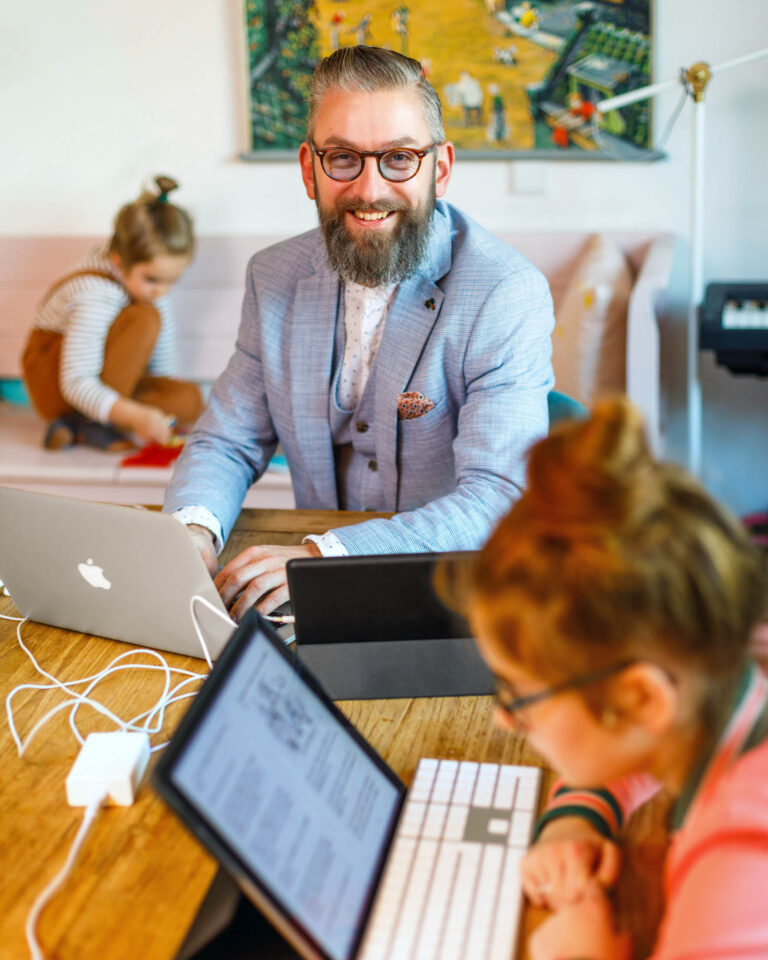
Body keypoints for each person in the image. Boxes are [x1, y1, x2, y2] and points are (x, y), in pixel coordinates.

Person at [165, 46, 554, 620]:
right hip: (309, 604)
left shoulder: (505, 291)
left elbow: (500, 496)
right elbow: (227, 440)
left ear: (439, 169)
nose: (370, 189)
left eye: (399, 157)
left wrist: (323, 557)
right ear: (308, 169)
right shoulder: (272, 276)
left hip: (454, 599)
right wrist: (191, 533)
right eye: (342, 157)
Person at [454, 398, 768, 960]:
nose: (507, 718)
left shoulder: (747, 863)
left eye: (521, 694)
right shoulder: (730, 660)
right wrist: (576, 815)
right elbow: (642, 744)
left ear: (639, 699)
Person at [22, 176, 202, 451]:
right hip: (59, 384)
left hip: (113, 378)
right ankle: (90, 422)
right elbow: (76, 381)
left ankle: (80, 425)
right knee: (145, 318)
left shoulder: (146, 287)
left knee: (189, 401)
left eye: (172, 281)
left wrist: (161, 401)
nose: (162, 291)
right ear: (119, 260)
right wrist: (135, 415)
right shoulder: (95, 292)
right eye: (153, 280)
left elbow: (162, 362)